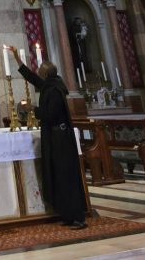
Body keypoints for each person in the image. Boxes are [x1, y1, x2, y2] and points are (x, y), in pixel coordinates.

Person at [8, 47, 87, 229]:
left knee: (66, 177)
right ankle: (67, 215)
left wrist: (32, 109)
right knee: (58, 177)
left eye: (40, 71)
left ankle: (78, 217)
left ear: (45, 74)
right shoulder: (50, 85)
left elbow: (50, 114)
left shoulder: (55, 90)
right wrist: (17, 58)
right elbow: (31, 77)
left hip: (61, 139)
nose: (38, 73)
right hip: (55, 137)